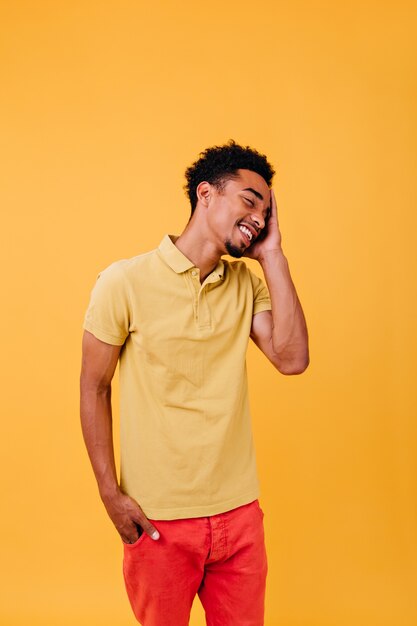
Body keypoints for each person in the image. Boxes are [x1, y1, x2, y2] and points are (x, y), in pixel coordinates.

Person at [80, 140, 309, 626]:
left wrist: (273, 255)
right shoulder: (124, 281)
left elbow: (291, 359)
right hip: (158, 520)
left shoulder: (247, 284)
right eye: (250, 200)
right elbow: (93, 387)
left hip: (240, 516)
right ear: (206, 193)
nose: (259, 218)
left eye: (266, 212)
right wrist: (109, 494)